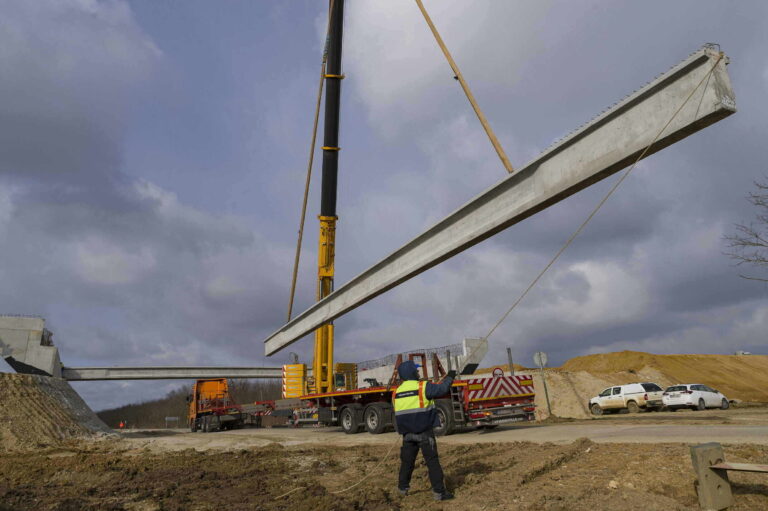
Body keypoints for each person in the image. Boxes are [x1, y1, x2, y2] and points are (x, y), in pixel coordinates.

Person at [393, 360, 456, 501]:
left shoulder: (396, 392)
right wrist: (450, 377)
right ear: (412, 373)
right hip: (424, 434)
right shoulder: (423, 387)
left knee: (407, 463)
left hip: (407, 435)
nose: (418, 372)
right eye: (416, 370)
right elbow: (442, 389)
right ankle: (439, 493)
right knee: (432, 462)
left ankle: (402, 489)